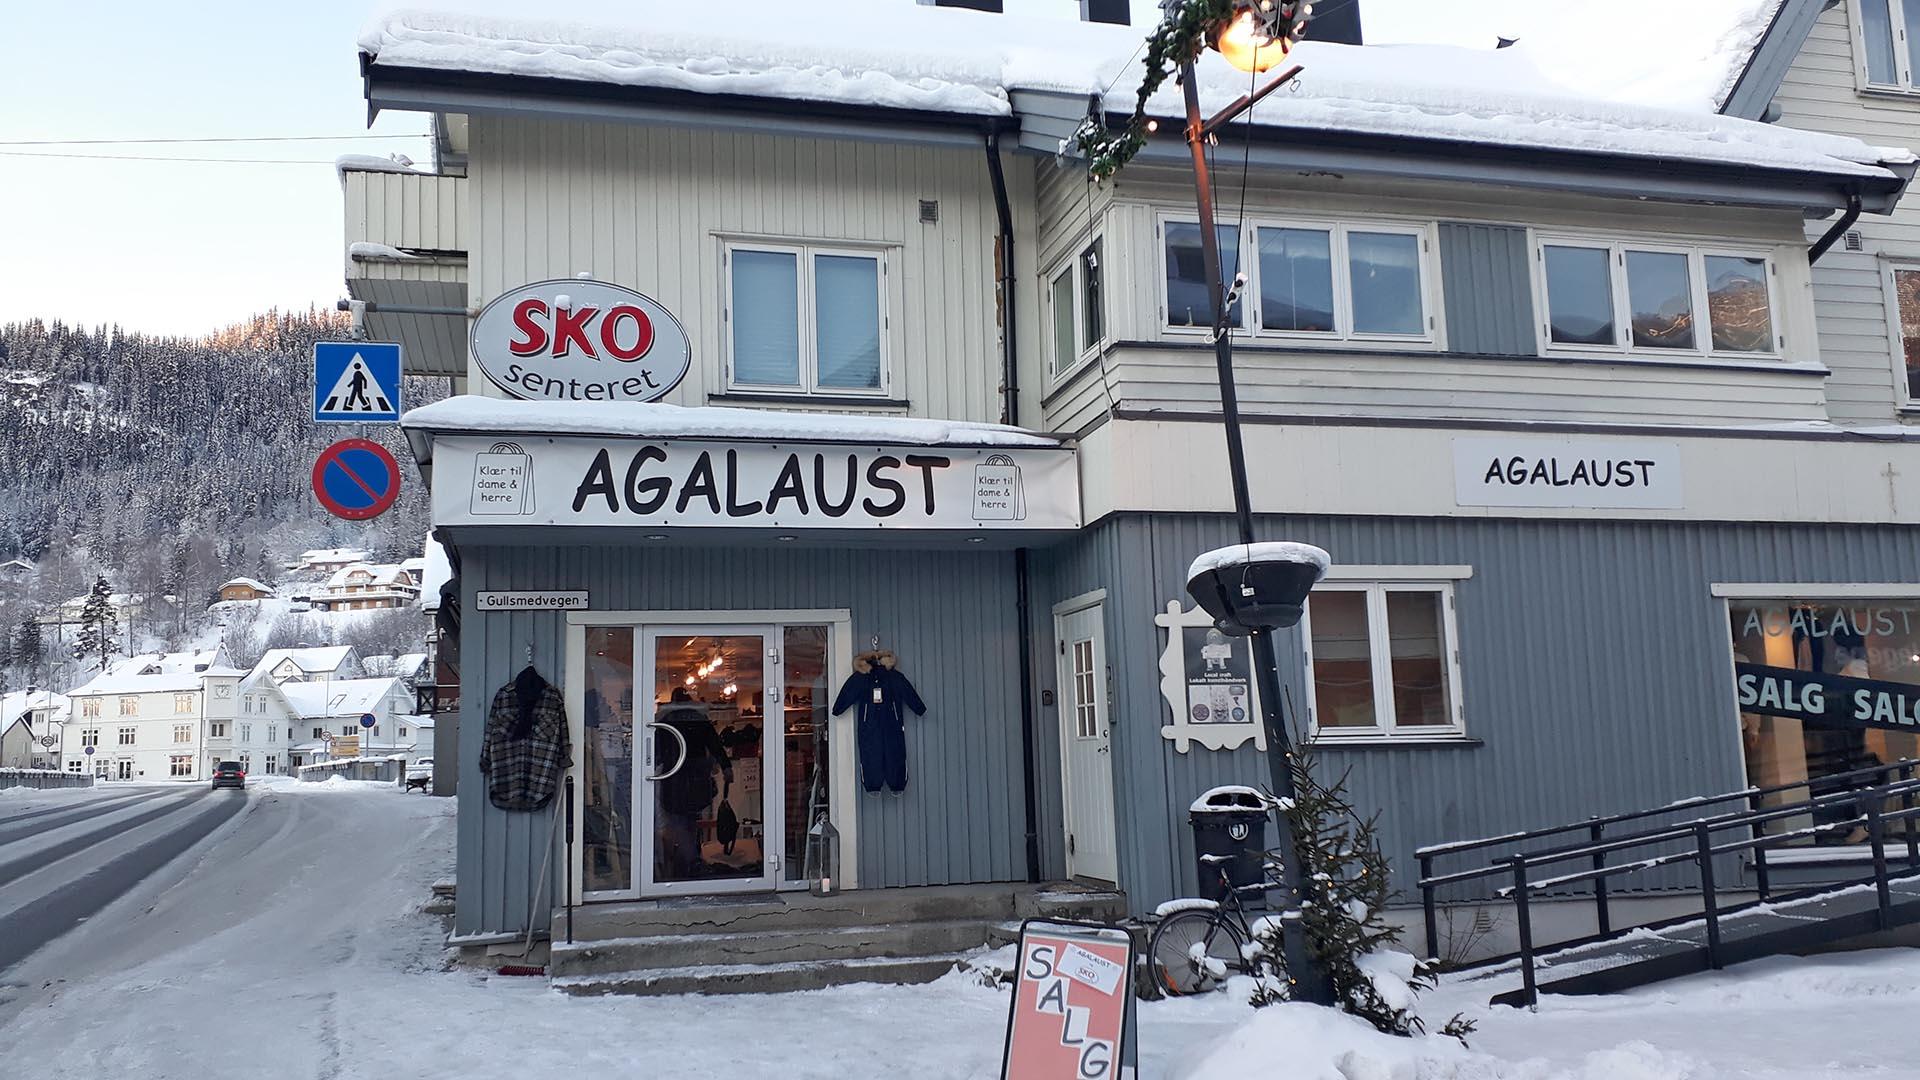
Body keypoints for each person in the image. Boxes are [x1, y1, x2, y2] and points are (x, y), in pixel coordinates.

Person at [654, 688, 731, 879]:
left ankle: (689, 861)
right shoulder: (699, 719)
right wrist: (726, 767)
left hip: (674, 777)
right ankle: (691, 860)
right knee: (690, 820)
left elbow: (656, 753)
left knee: (678, 821)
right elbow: (715, 744)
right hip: (697, 777)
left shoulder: (665, 721)